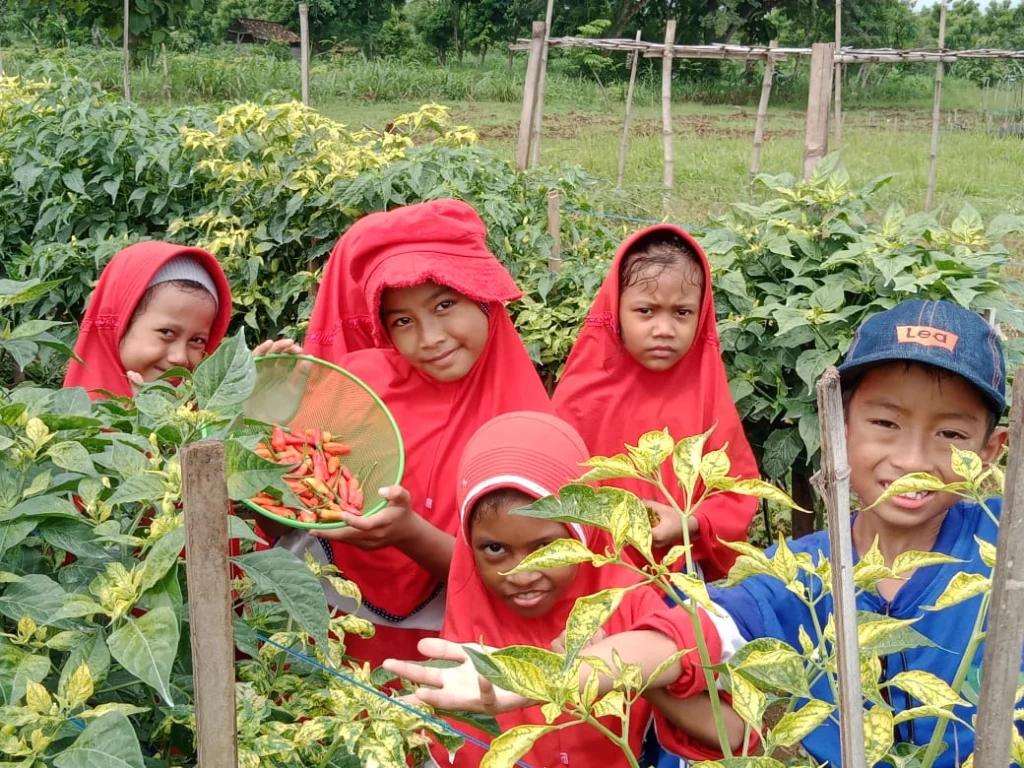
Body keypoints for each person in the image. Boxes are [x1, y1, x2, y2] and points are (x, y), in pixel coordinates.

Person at [395, 300, 1016, 768]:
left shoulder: (1004, 572)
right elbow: (682, 637)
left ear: (993, 450)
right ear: (837, 426)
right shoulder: (792, 574)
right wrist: (548, 678)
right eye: (885, 422)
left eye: (951, 435)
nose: (911, 457)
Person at [282, 199, 553, 667]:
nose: (429, 338)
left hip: (455, 654)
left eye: (444, 305)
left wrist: (409, 535)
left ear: (484, 299)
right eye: (402, 321)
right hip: (326, 638)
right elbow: (283, 504)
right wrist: (270, 407)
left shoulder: (533, 430)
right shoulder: (357, 384)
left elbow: (526, 579)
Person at [394, 410, 747, 767]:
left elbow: (732, 734)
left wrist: (620, 669)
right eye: (495, 549)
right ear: (470, 548)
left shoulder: (624, 604)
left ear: (583, 535)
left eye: (546, 549)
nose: (521, 572)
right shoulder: (466, 631)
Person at [552, 224, 758, 581]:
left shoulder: (706, 393)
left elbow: (736, 489)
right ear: (616, 310)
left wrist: (690, 523)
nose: (664, 329)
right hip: (591, 574)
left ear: (702, 314)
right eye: (646, 311)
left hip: (679, 584)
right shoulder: (585, 391)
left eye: (682, 313)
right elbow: (552, 482)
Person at [63, 241, 300, 399]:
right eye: (166, 332)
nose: (180, 358)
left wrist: (239, 390)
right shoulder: (77, 421)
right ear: (119, 325)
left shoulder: (196, 409)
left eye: (197, 340)